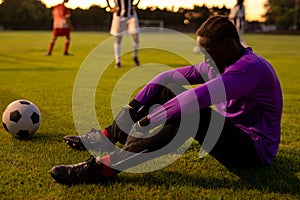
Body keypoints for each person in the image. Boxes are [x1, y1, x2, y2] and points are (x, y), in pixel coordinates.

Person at [50, 15, 283, 185]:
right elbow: (168, 77)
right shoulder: (218, 63)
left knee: (192, 112)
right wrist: (133, 107)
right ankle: (109, 136)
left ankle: (104, 168)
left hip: (254, 151)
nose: (204, 58)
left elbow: (197, 97)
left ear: (229, 46)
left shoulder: (250, 68)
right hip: (232, 134)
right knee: (166, 89)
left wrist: (154, 117)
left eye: (208, 52)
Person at [106, 0, 141, 68]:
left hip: (131, 15)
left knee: (136, 36)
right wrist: (109, 7)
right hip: (119, 15)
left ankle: (135, 57)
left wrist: (136, 4)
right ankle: (118, 61)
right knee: (118, 38)